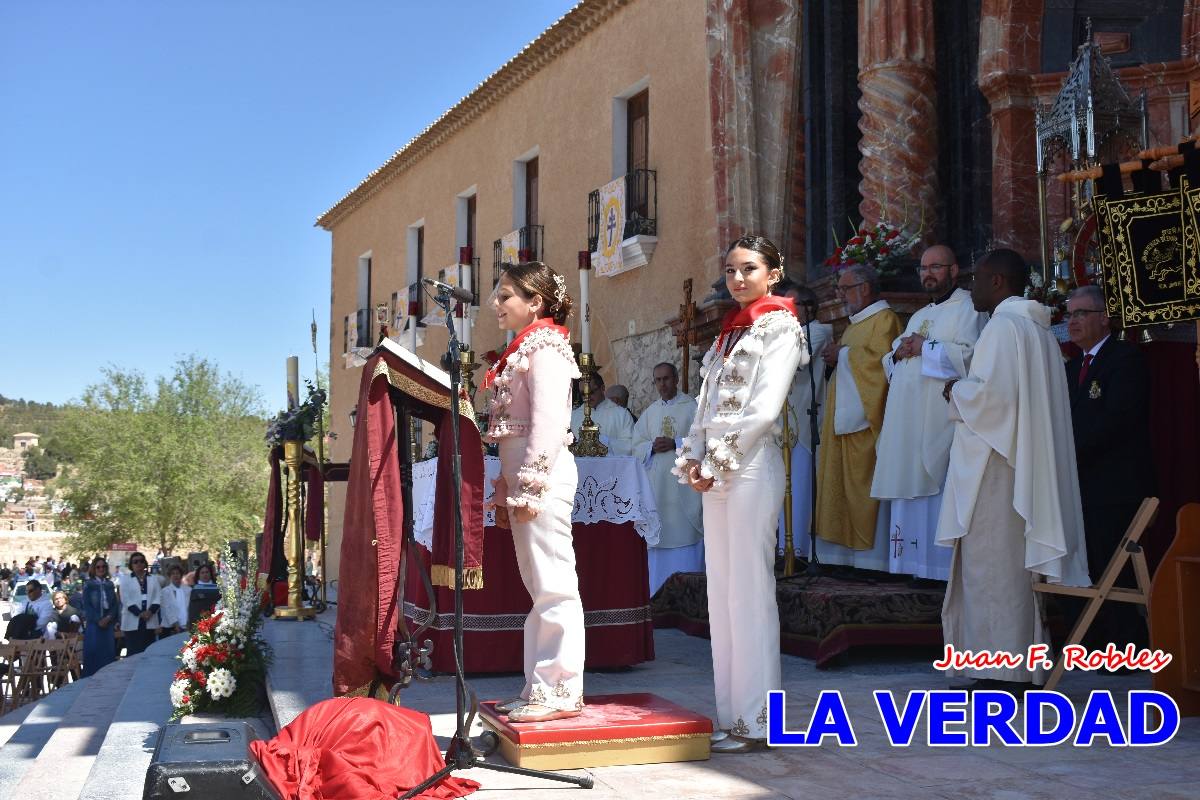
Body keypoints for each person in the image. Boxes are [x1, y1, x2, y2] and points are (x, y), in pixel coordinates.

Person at [936, 249, 1091, 688]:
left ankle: (1001, 670)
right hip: (1019, 460)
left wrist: (955, 389)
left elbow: (992, 401)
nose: (971, 288)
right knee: (1008, 569)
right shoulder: (1036, 329)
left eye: (977, 279)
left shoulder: (1004, 328)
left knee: (993, 568)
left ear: (998, 281)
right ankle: (1016, 664)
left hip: (997, 465)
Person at [674, 235, 805, 753]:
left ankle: (760, 721)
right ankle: (732, 715)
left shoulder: (782, 326)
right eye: (730, 270)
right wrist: (692, 458)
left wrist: (716, 463)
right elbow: (704, 407)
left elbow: (764, 410)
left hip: (749, 468)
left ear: (773, 273)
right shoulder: (729, 333)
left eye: (748, 268)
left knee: (750, 593)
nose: (737, 278)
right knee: (723, 595)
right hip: (716, 471)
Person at [483, 261, 586, 723]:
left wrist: (530, 486)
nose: (496, 303)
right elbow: (514, 432)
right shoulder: (525, 347)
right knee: (539, 584)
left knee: (554, 584)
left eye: (505, 295)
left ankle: (560, 688)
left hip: (541, 479)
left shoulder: (547, 347)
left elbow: (547, 423)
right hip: (525, 478)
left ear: (535, 302)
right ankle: (539, 685)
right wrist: (508, 486)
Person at [870, 245, 988, 580]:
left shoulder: (970, 308)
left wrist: (925, 347)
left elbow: (972, 357)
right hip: (906, 420)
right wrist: (897, 353)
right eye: (923, 268)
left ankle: (937, 570)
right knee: (908, 481)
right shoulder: (919, 315)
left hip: (938, 419)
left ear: (954, 270)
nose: (928, 274)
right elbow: (894, 360)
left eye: (935, 266)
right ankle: (910, 566)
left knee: (936, 486)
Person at [1064, 284, 1154, 649]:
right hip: (1081, 485)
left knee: (1114, 568)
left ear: (1104, 318)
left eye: (1081, 313)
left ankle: (1125, 647)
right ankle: (1091, 642)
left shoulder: (1124, 359)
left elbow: (1117, 420)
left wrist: (1070, 452)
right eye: (1069, 314)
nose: (1072, 321)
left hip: (1115, 485)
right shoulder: (1072, 367)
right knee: (1085, 565)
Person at [815, 264, 902, 570]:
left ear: (865, 288)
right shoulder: (855, 325)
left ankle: (871, 562)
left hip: (866, 424)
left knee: (865, 488)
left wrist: (843, 355)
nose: (841, 295)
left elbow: (880, 367)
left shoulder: (885, 319)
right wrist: (839, 357)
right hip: (844, 421)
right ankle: (844, 559)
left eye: (845, 288)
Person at [632, 362, 704, 594]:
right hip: (659, 492)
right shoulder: (650, 413)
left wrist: (676, 443)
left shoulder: (691, 407)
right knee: (659, 542)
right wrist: (650, 447)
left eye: (666, 379)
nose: (662, 384)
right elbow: (636, 444)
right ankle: (658, 596)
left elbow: (703, 440)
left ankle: (690, 595)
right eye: (658, 380)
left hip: (683, 490)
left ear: (676, 379)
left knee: (686, 540)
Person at [773, 280, 832, 560]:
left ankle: (799, 551)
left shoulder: (819, 331)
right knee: (782, 489)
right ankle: (783, 549)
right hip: (785, 425)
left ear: (809, 307)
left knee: (800, 487)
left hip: (806, 424)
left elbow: (794, 360)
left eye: (790, 305)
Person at [569, 371, 635, 456]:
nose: (587, 397)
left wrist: (605, 441)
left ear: (602, 388)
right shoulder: (573, 416)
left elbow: (630, 446)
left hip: (612, 464)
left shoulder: (622, 415)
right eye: (583, 394)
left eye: (591, 392)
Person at [117, 551, 161, 656]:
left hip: (150, 620)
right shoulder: (125, 580)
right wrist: (140, 613)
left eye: (141, 561)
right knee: (134, 654)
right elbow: (125, 599)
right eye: (135, 562)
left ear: (145, 563)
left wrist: (150, 612)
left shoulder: (153, 579)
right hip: (132, 621)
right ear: (131, 565)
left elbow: (158, 597)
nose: (139, 564)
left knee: (149, 653)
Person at [82, 557, 119, 677]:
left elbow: (114, 604)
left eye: (103, 566)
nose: (101, 569)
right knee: (93, 654)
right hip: (94, 625)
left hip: (108, 625)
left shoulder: (110, 584)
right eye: (98, 567)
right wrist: (98, 620)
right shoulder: (88, 585)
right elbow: (87, 605)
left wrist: (108, 618)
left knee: (107, 654)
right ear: (94, 568)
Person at [159, 564, 192, 636]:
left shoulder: (189, 590)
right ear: (169, 576)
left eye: (177, 573)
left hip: (187, 626)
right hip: (171, 627)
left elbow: (190, 607)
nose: (175, 575)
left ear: (181, 575)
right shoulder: (165, 591)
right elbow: (167, 610)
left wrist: (189, 622)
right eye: (173, 573)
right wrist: (175, 624)